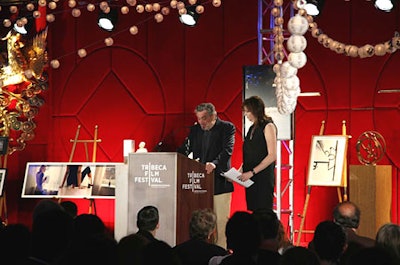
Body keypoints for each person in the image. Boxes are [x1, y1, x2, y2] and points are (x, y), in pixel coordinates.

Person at [177, 102, 235, 248]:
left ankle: (221, 252)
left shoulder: (227, 128)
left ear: (213, 115)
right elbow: (185, 149)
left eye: (204, 118)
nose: (201, 122)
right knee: (201, 223)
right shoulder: (195, 130)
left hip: (220, 183)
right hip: (199, 185)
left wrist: (214, 164)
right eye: (199, 118)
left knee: (220, 221)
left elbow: (227, 151)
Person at [239, 96, 277, 212]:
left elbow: (272, 155)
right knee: (254, 210)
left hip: (262, 177)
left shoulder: (268, 126)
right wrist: (240, 171)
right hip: (250, 178)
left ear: (255, 110)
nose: (246, 114)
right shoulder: (252, 128)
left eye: (247, 111)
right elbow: (251, 153)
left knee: (263, 211)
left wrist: (252, 172)